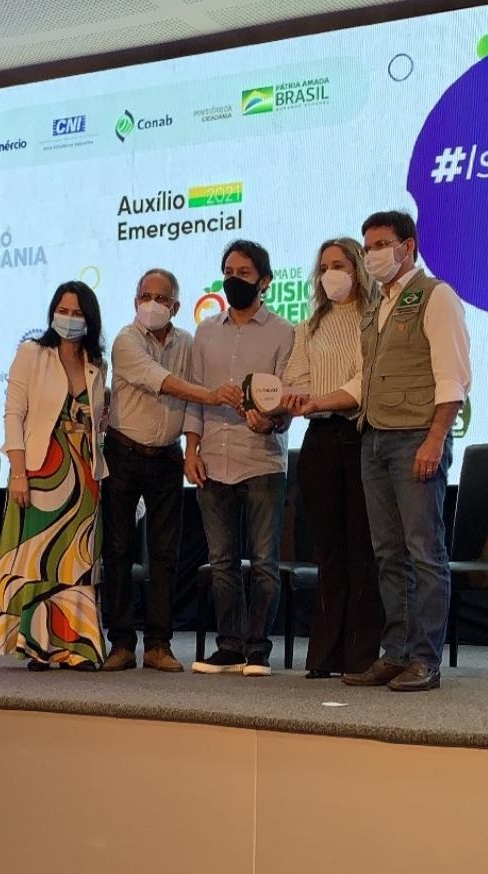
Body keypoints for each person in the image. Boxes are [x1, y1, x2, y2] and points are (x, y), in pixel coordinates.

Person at [298, 211, 471, 691]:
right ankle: (396, 652)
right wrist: (316, 402)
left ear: (407, 247)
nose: (372, 254)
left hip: (415, 437)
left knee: (424, 551)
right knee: (388, 554)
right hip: (372, 439)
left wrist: (436, 438)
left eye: (381, 245)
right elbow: (364, 381)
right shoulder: (378, 308)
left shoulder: (435, 296)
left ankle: (425, 659)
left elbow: (453, 376)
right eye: (368, 245)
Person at [102, 268, 241, 672]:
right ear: (135, 301)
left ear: (176, 307)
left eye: (162, 299)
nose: (153, 304)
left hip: (167, 456)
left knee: (165, 554)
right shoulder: (125, 340)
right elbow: (159, 380)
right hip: (123, 452)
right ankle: (121, 643)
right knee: (118, 550)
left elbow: (191, 395)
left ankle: (158, 645)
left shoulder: (187, 343)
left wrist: (195, 439)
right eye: (146, 296)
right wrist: (212, 395)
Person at [185, 240, 295, 677]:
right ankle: (229, 645)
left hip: (262, 459)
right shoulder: (205, 332)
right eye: (228, 272)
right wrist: (190, 450)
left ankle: (258, 650)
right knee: (223, 562)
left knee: (264, 561)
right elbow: (195, 395)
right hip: (213, 458)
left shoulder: (284, 332)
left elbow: (288, 397)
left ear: (264, 281)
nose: (234, 279)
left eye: (244, 273)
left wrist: (271, 421)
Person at [0, 281, 108, 671]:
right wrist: (18, 472)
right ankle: (39, 645)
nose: (69, 319)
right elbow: (14, 414)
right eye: (63, 310)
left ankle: (77, 646)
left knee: (76, 559)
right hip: (43, 470)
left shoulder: (96, 363)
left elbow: (99, 424)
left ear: (90, 319)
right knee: (39, 557)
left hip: (84, 474)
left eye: (77, 313)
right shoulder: (32, 353)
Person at [282, 238, 383, 679]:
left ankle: (361, 656)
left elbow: (366, 380)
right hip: (319, 441)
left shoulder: (377, 318)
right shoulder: (308, 327)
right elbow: (295, 378)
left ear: (358, 268)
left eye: (338, 265)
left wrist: (321, 398)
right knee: (328, 552)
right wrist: (301, 398)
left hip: (362, 437)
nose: (330, 274)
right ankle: (324, 655)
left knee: (363, 549)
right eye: (323, 267)